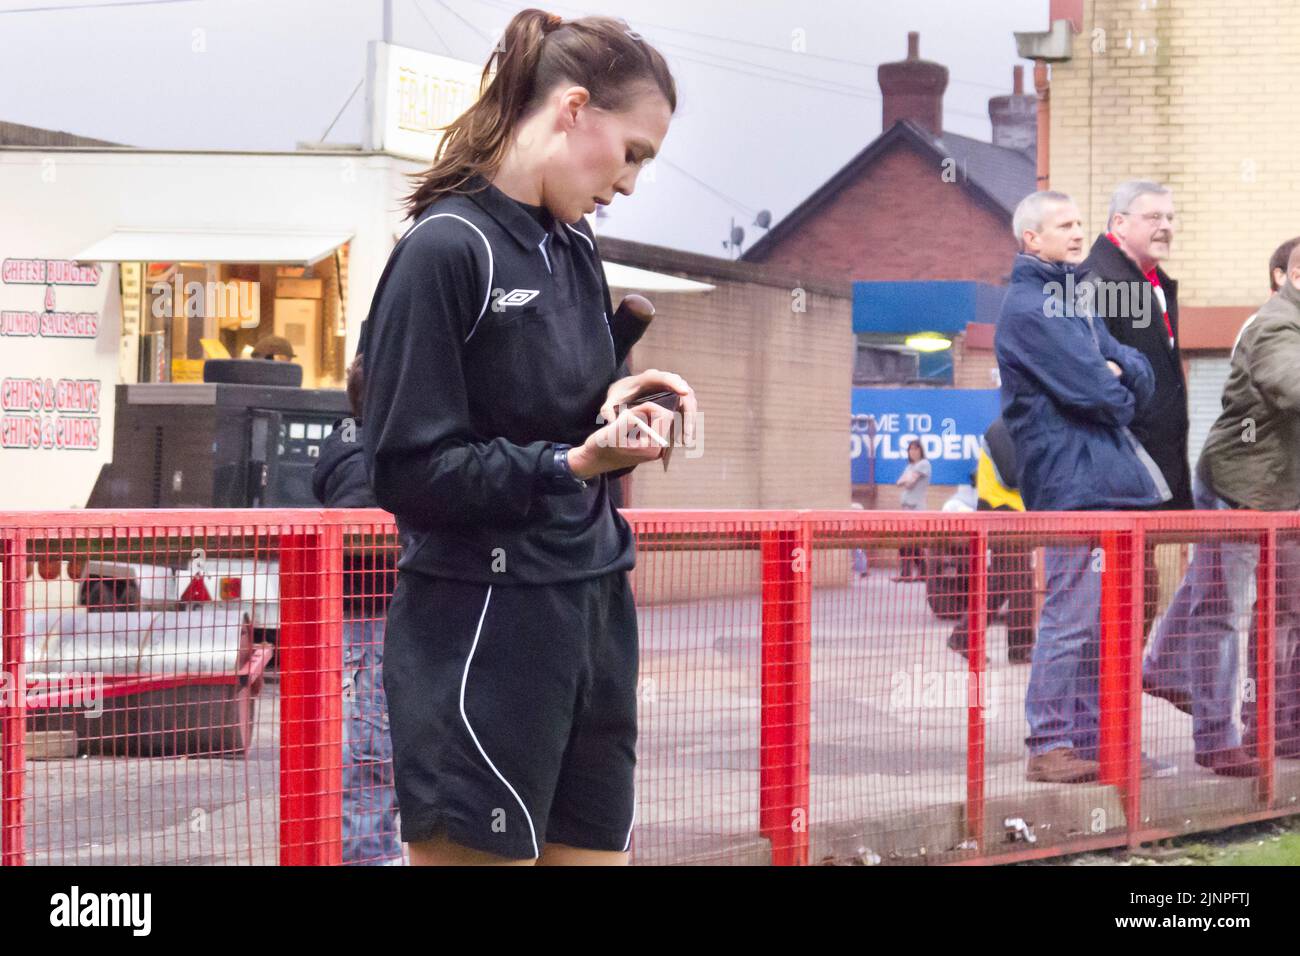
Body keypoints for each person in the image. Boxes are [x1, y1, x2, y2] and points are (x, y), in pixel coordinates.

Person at [361, 9, 689, 866]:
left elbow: (558, 415)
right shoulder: (446, 249)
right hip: (482, 624)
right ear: (575, 109)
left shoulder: (575, 243)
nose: (631, 181)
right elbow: (404, 468)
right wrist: (574, 461)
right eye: (634, 154)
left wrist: (626, 402)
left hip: (593, 603)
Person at [995, 190, 1174, 784]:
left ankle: (1095, 743)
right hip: (1072, 487)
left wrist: (1118, 376)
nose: (1078, 234)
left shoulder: (1072, 297)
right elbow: (1100, 391)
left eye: (1079, 223)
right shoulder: (1030, 308)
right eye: (1064, 225)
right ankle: (1048, 745)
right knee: (1070, 618)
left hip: (1104, 483)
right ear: (1032, 240)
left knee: (1102, 624)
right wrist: (1116, 382)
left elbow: (1135, 365)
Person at [1147, 242, 1300, 774]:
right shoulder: (1275, 327)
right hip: (1241, 485)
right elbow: (1290, 387)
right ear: (1292, 275)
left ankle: (1164, 668)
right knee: (1223, 612)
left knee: (1223, 595)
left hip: (1274, 492)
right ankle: (1217, 740)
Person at [1078, 181, 1190, 644]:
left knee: (1139, 598)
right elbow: (1086, 376)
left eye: (1170, 217)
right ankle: (1097, 715)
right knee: (1115, 606)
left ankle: (1114, 710)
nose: (1165, 226)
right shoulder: (1097, 283)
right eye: (1153, 217)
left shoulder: (1153, 285)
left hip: (1144, 476)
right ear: (1119, 224)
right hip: (1115, 476)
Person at [311, 353, 402, 863]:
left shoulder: (345, 444)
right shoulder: (374, 451)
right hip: (376, 611)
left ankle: (372, 849)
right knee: (373, 740)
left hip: (360, 612)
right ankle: (368, 853)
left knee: (372, 736)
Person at [945, 418, 1036, 665]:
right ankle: (1022, 648)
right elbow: (1011, 474)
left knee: (1000, 584)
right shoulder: (1002, 430)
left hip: (1013, 515)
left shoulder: (1015, 429)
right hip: (1003, 514)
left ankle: (964, 637)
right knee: (1021, 584)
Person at [893, 440, 930, 582]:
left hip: (916, 509)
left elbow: (909, 483)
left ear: (921, 450)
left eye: (915, 449)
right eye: (910, 449)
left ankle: (909, 574)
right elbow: (899, 482)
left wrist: (906, 479)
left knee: (910, 542)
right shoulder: (910, 466)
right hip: (906, 508)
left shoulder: (924, 464)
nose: (912, 452)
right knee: (909, 543)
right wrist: (906, 479)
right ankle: (920, 573)